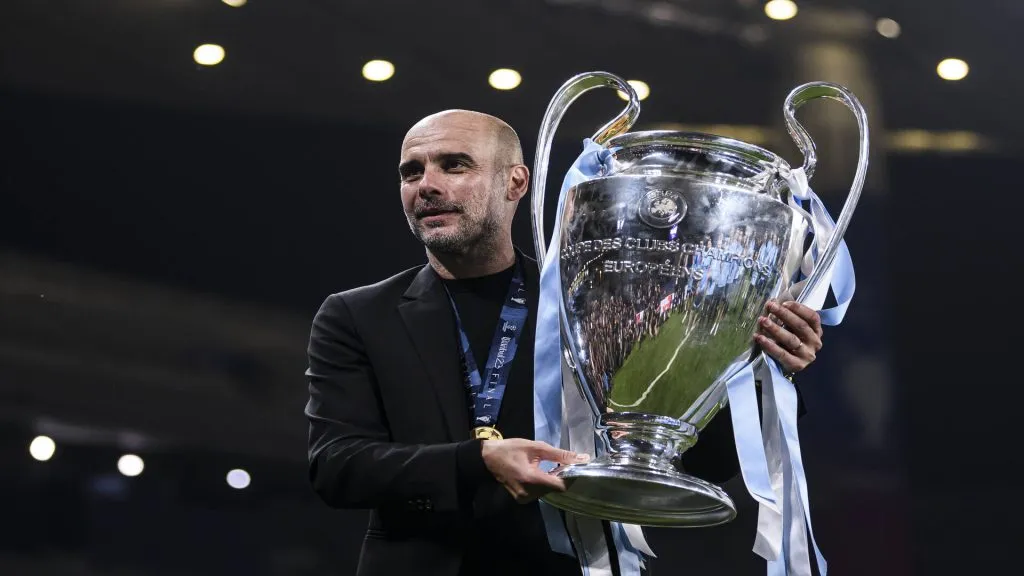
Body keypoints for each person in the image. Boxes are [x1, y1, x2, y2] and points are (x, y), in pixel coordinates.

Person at [303, 110, 826, 576]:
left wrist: (771, 372)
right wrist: (478, 462)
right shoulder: (356, 314)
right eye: (411, 171)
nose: (427, 185)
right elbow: (338, 466)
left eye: (454, 165)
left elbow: (702, 463)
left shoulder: (593, 302)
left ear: (515, 183)